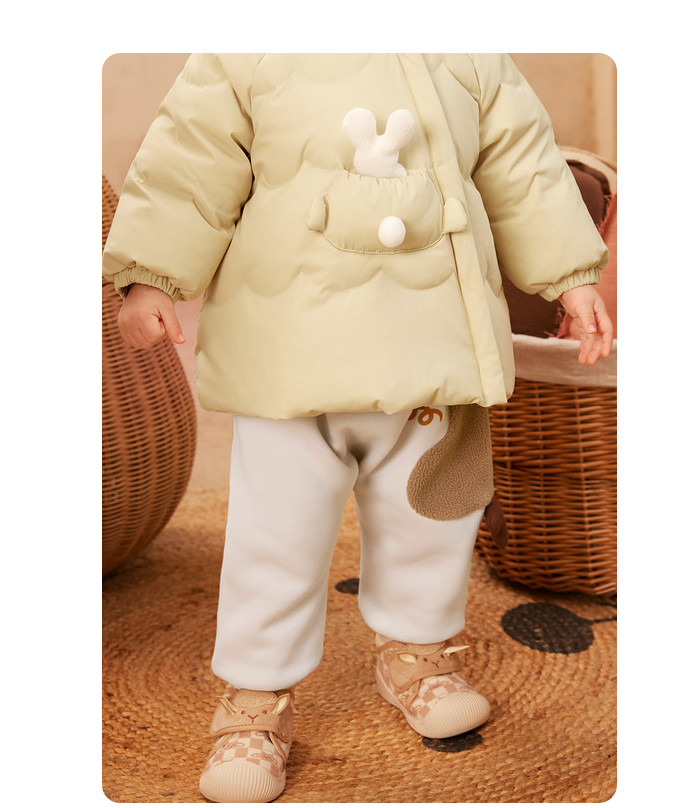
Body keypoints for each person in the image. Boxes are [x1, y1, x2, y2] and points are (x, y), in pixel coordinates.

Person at [104, 53, 613, 803]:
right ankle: (254, 697)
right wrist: (152, 272)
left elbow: (523, 164)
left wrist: (570, 276)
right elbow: (191, 159)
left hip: (431, 344)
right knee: (274, 534)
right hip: (288, 353)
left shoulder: (467, 52)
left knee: (429, 516)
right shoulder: (245, 52)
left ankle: (418, 653)